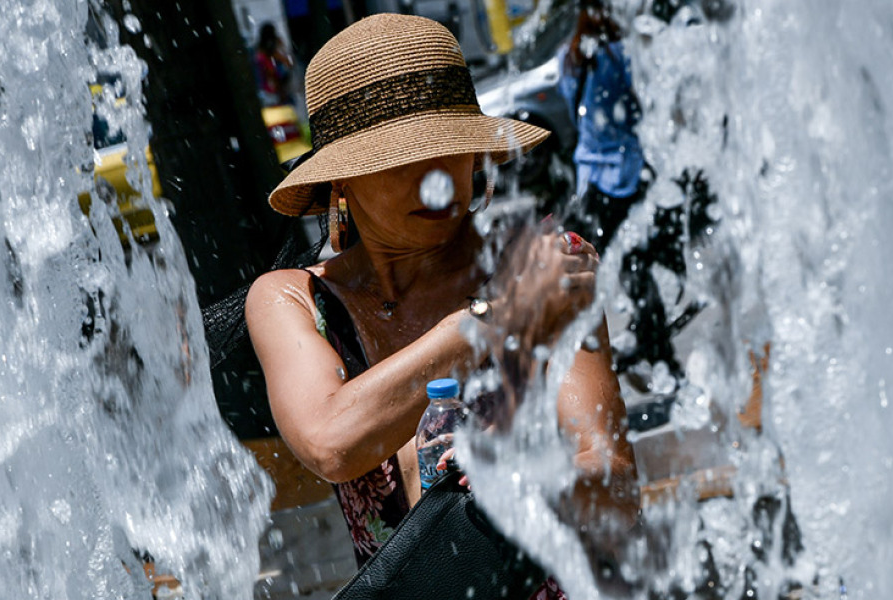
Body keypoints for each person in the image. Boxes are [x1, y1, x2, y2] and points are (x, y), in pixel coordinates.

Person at [244, 13, 638, 598]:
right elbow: (331, 440)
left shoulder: (546, 265)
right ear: (342, 180)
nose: (434, 181)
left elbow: (615, 485)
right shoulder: (292, 299)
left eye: (450, 149)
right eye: (400, 159)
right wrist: (490, 322)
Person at [557, 0, 649, 256]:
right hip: (627, 176)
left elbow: (575, 116)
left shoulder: (567, 58)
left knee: (598, 259)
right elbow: (645, 109)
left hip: (588, 177)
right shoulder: (621, 53)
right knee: (635, 258)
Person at [253, 22, 293, 107]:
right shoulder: (264, 54)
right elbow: (271, 70)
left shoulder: (266, 52)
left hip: (277, 87)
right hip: (272, 89)